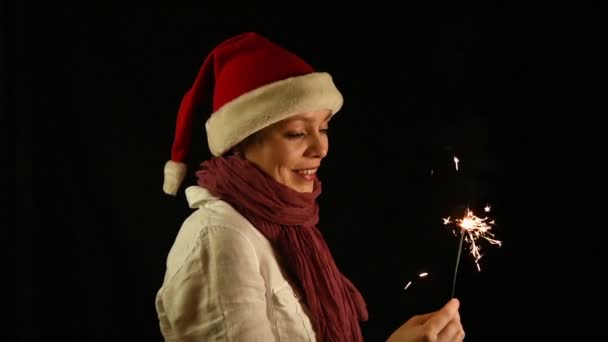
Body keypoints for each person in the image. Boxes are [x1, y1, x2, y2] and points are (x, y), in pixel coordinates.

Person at [156, 31, 465, 342]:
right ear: (241, 143)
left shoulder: (288, 226)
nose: (321, 148)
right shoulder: (222, 239)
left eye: (323, 128)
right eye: (296, 133)